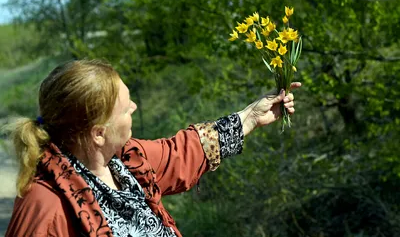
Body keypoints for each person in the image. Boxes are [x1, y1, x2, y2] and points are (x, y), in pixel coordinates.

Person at [4, 59, 300, 237]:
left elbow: (182, 152)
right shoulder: (45, 206)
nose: (134, 107)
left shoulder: (125, 162)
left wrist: (250, 116)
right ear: (98, 134)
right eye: (125, 109)